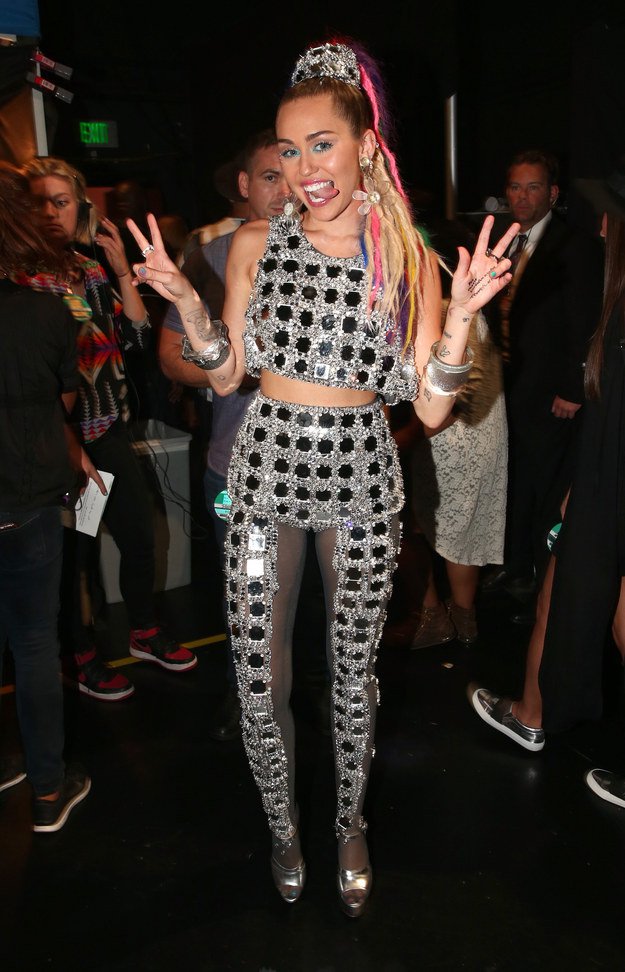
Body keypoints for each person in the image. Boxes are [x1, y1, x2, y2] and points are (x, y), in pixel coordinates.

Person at [126, 38, 518, 917]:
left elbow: (428, 409)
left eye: (321, 145)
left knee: (352, 674)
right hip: (263, 471)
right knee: (258, 676)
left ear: (365, 147)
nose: (304, 169)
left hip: (361, 479)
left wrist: (458, 319)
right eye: (288, 150)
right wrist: (186, 302)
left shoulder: (404, 257)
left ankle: (346, 824)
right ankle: (282, 828)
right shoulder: (253, 243)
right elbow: (227, 374)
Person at [14, 156, 197, 701]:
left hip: (106, 431)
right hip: (56, 444)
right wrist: (67, 446)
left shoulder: (87, 270)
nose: (51, 213)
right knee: (75, 560)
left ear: (81, 210)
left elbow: (137, 338)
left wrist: (120, 270)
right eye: (39, 203)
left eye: (62, 202)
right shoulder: (19, 281)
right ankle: (80, 655)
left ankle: (143, 631)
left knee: (139, 535)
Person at [468, 165, 625, 799]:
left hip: (610, 485)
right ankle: (532, 711)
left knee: (567, 595)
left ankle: (532, 713)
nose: (603, 227)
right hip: (602, 477)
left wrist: (589, 485)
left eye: (612, 216)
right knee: (577, 598)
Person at [160, 128, 288, 739]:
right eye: (270, 175)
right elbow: (169, 357)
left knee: (323, 603)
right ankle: (251, 698)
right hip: (235, 466)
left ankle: (311, 697)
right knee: (248, 592)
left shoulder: (341, 252)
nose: (285, 189)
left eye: (294, 172)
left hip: (320, 468)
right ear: (244, 184)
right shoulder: (211, 257)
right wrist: (227, 368)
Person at [0, 160, 97, 831]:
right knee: (35, 642)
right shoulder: (44, 312)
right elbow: (62, 402)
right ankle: (47, 788)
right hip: (28, 495)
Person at [481, 150, 604, 624]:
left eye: (533, 187)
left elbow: (586, 321)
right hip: (507, 386)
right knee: (514, 481)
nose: (522, 196)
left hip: (551, 392)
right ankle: (514, 567)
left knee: (547, 487)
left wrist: (574, 387)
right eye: (515, 187)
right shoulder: (505, 241)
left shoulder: (575, 245)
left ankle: (540, 588)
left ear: (552, 194)